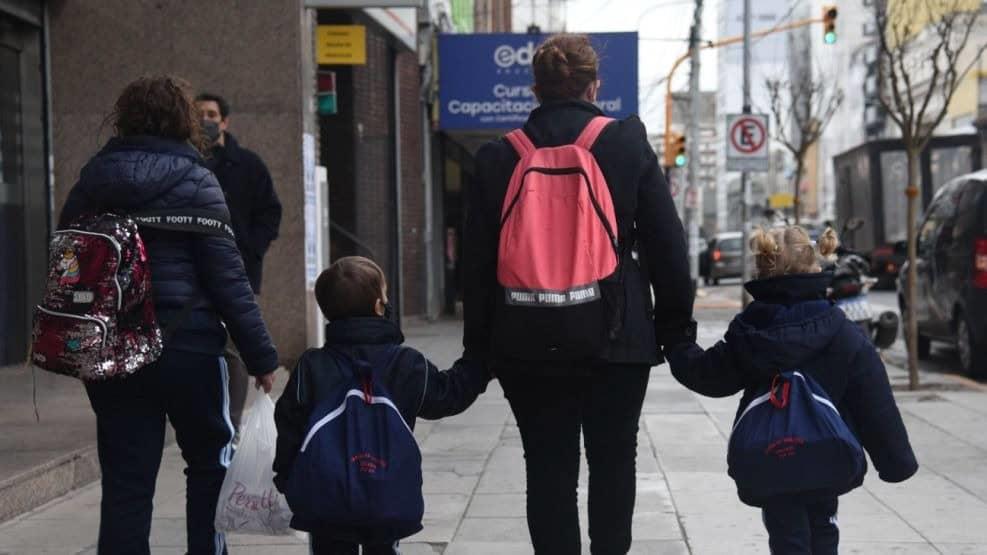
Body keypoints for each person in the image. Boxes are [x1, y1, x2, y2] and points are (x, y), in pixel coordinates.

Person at [462, 34, 694, 553]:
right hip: (618, 337)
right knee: (614, 464)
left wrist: (478, 351)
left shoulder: (498, 157)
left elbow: (475, 266)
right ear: (595, 86)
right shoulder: (626, 142)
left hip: (525, 337)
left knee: (547, 469)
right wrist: (676, 331)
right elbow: (667, 245)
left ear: (535, 90)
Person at [59, 75, 280, 555]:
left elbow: (69, 262)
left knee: (126, 478)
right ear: (185, 120)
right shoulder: (199, 180)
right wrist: (261, 356)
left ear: (124, 119)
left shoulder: (94, 180)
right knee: (208, 466)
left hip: (117, 349)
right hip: (191, 347)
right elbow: (229, 280)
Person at [665, 226, 918, 555]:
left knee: (785, 530)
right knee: (823, 522)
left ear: (763, 269)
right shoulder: (841, 331)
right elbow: (872, 397)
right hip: (828, 450)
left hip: (773, 453)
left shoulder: (749, 332)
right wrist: (895, 461)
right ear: (815, 267)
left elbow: (707, 375)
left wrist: (677, 341)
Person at [273, 256, 491, 555]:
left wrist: (286, 476)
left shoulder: (312, 365)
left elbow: (289, 423)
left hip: (326, 495)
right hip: (386, 491)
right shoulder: (405, 363)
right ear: (379, 307)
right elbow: (448, 395)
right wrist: (480, 361)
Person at [195, 92, 282, 434]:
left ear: (225, 121)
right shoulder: (188, 162)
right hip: (196, 272)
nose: (206, 119)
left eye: (212, 114)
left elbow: (270, 212)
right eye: (199, 113)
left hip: (238, 270)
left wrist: (253, 249)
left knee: (234, 347)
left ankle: (229, 421)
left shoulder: (248, 164)